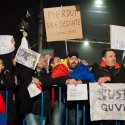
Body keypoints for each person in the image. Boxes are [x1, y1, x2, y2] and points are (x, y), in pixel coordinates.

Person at [51, 51, 96, 125]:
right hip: (61, 100)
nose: (74, 61)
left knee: (74, 123)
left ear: (78, 60)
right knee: (56, 122)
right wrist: (67, 80)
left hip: (77, 102)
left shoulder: (83, 68)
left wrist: (81, 81)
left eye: (76, 58)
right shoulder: (60, 67)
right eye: (71, 58)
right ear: (67, 59)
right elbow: (54, 79)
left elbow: (92, 80)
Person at [92, 49, 125, 125]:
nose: (114, 58)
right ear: (104, 59)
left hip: (118, 104)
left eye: (114, 56)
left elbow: (122, 79)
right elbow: (98, 79)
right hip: (103, 104)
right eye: (110, 56)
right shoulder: (97, 66)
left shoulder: (121, 67)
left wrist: (108, 78)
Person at [0, 59, 17, 125]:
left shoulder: (6, 75)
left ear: (3, 66)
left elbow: (9, 84)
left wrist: (6, 74)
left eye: (0, 63)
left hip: (5, 108)